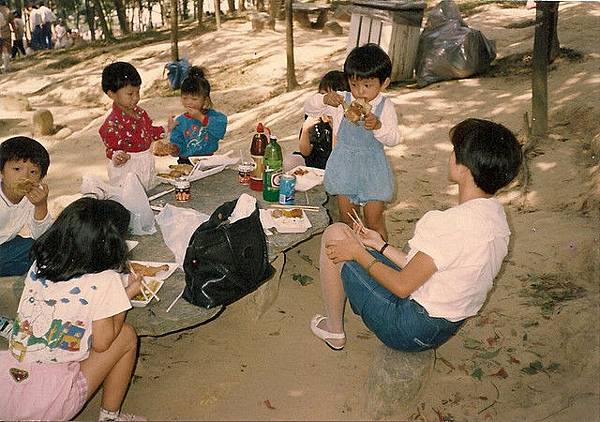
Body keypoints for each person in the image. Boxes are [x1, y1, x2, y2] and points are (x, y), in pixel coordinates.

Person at [310, 118, 523, 352]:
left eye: (454, 151)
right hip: (444, 327)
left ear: (464, 168)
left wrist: (359, 254)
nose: (450, 155)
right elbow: (427, 268)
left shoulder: (448, 223)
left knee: (335, 234)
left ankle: (334, 330)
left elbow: (402, 286)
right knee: (352, 242)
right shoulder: (495, 216)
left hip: (407, 328)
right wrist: (380, 246)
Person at [0, 197, 146, 421]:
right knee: (125, 335)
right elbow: (103, 342)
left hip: (8, 389)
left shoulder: (40, 265)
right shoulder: (106, 279)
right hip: (50, 400)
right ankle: (110, 417)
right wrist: (124, 299)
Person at [304, 43, 401, 240]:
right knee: (347, 220)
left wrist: (378, 127)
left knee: (374, 222)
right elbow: (309, 108)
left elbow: (395, 138)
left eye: (367, 85)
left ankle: (379, 259)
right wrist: (323, 100)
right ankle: (353, 257)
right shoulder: (342, 101)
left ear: (384, 84)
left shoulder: (385, 106)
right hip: (345, 169)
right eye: (354, 84)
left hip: (374, 171)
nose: (360, 92)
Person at [99, 61, 174, 190]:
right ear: (112, 94)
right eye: (130, 94)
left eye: (137, 92)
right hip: (127, 169)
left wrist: (166, 128)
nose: (136, 98)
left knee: (148, 194)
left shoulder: (140, 113)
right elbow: (111, 149)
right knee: (131, 199)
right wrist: (117, 157)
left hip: (145, 166)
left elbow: (149, 132)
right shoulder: (112, 124)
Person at [0, 136, 52, 277]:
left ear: (40, 179)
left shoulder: (30, 198)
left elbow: (42, 236)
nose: (25, 176)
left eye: (33, 172)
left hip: (7, 245)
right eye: (17, 169)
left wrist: (40, 206)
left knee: (44, 248)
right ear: (1, 172)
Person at [168, 66, 227, 165]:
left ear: (205, 99)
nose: (189, 102)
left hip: (207, 160)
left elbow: (220, 130)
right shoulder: (180, 121)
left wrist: (201, 117)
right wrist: (174, 148)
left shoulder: (214, 116)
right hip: (185, 161)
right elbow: (177, 142)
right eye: (185, 98)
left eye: (194, 99)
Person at [292, 70, 349, 170]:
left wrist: (335, 123)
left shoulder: (347, 119)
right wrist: (305, 129)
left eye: (333, 98)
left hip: (337, 167)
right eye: (323, 96)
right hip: (313, 165)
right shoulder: (314, 113)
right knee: (289, 161)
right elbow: (305, 152)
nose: (328, 103)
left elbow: (339, 157)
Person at [0, 0, 14, 73]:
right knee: (6, 50)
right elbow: (12, 22)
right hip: (5, 33)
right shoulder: (8, 11)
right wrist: (14, 30)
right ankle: (7, 67)